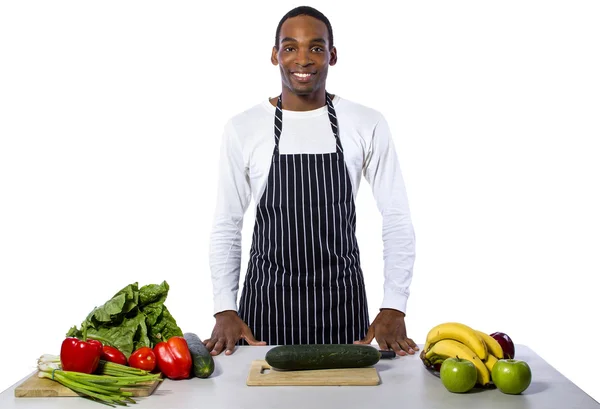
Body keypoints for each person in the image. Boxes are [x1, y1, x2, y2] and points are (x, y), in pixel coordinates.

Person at [204, 6, 418, 358]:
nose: (302, 59)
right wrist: (224, 307)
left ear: (332, 56)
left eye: (316, 48)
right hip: (264, 313)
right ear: (275, 55)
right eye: (290, 47)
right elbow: (228, 222)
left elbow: (396, 216)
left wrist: (395, 304)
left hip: (344, 314)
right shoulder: (242, 128)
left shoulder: (366, 123)